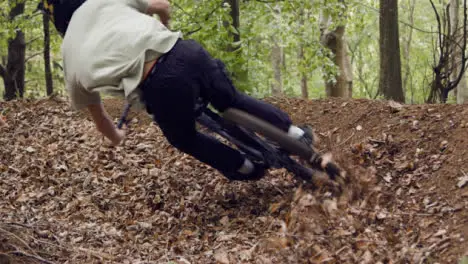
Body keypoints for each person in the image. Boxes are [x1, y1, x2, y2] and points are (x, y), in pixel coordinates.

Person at [37, 0, 314, 181]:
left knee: (184, 138)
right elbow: (162, 5)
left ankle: (244, 167)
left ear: (57, 21)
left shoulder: (69, 54)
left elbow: (99, 119)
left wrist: (117, 136)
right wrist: (164, 26)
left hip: (162, 87)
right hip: (186, 53)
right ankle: (295, 134)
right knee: (232, 99)